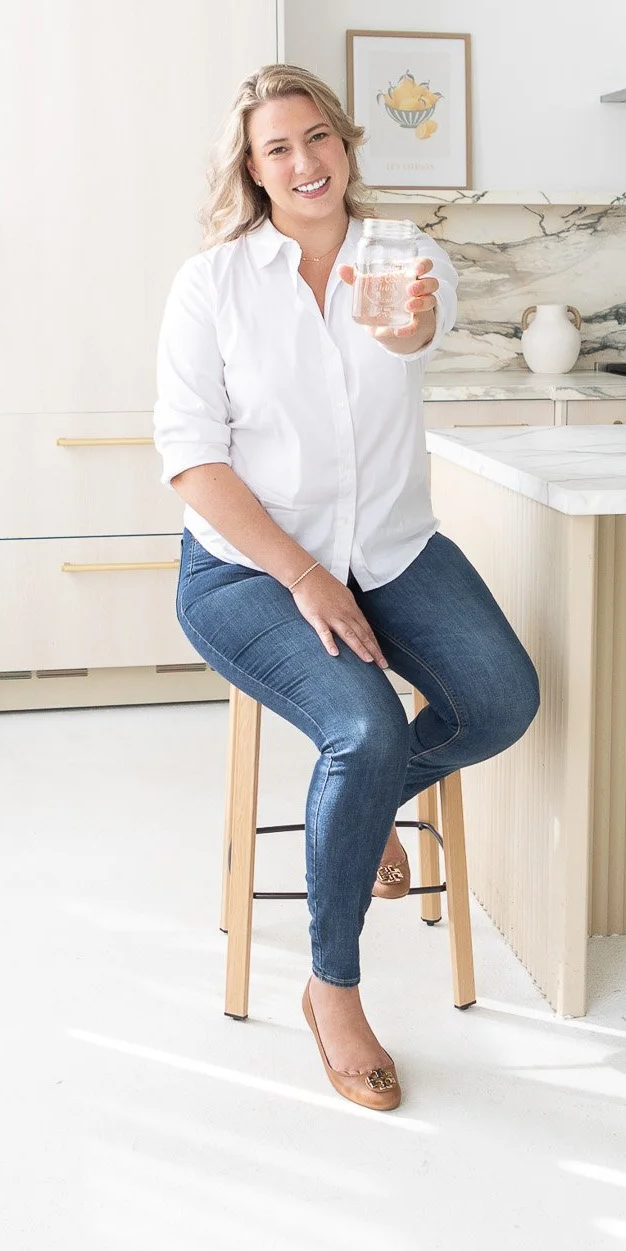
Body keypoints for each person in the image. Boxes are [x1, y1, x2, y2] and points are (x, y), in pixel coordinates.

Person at [154, 64, 540, 1112]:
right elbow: (192, 459)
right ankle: (331, 990)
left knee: (503, 700)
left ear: (344, 144)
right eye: (277, 147)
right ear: (251, 168)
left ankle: (359, 815)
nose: (304, 162)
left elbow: (418, 331)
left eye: (316, 136)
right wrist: (303, 575)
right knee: (365, 730)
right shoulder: (214, 284)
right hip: (247, 569)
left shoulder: (404, 257)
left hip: (394, 550)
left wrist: (405, 325)